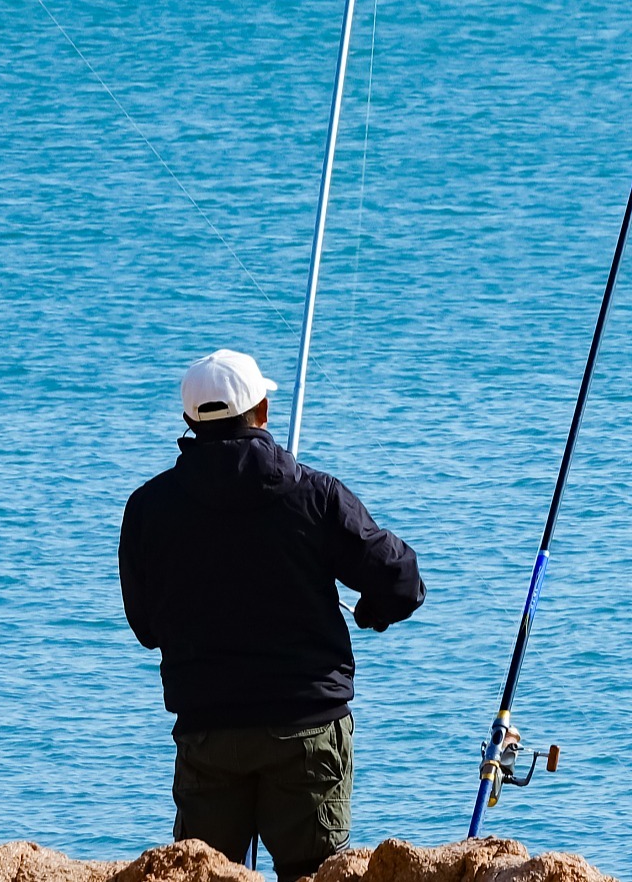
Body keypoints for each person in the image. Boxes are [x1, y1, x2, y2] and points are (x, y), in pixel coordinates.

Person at [119, 349, 426, 882]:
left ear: (190, 421)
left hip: (208, 733)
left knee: (205, 874)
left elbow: (147, 629)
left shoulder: (147, 507)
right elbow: (402, 581)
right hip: (307, 731)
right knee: (314, 875)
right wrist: (369, 612)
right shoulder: (316, 494)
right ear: (261, 412)